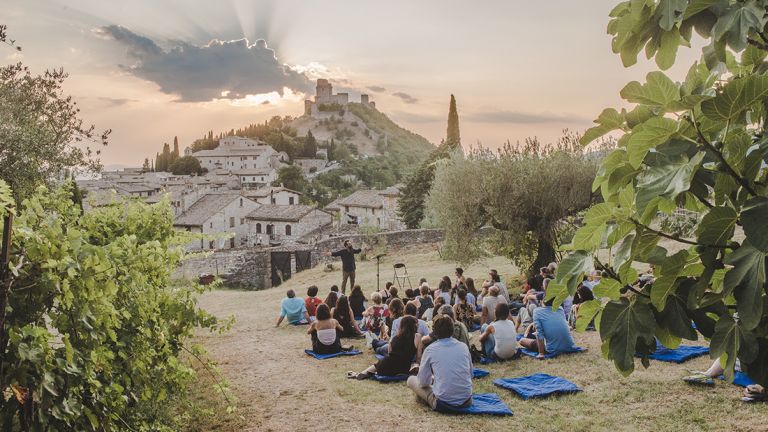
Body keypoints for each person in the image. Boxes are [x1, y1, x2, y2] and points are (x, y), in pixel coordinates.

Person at [407, 316, 473, 410]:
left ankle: (424, 398)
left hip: (442, 403)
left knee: (411, 380)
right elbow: (470, 375)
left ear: (434, 333)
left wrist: (434, 380)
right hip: (466, 401)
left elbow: (423, 382)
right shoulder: (463, 347)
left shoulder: (430, 349)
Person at [348, 316, 420, 379]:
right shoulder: (417, 337)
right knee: (383, 361)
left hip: (386, 367)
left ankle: (361, 373)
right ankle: (363, 374)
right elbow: (418, 357)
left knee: (378, 364)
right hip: (404, 368)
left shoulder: (395, 338)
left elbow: (389, 352)